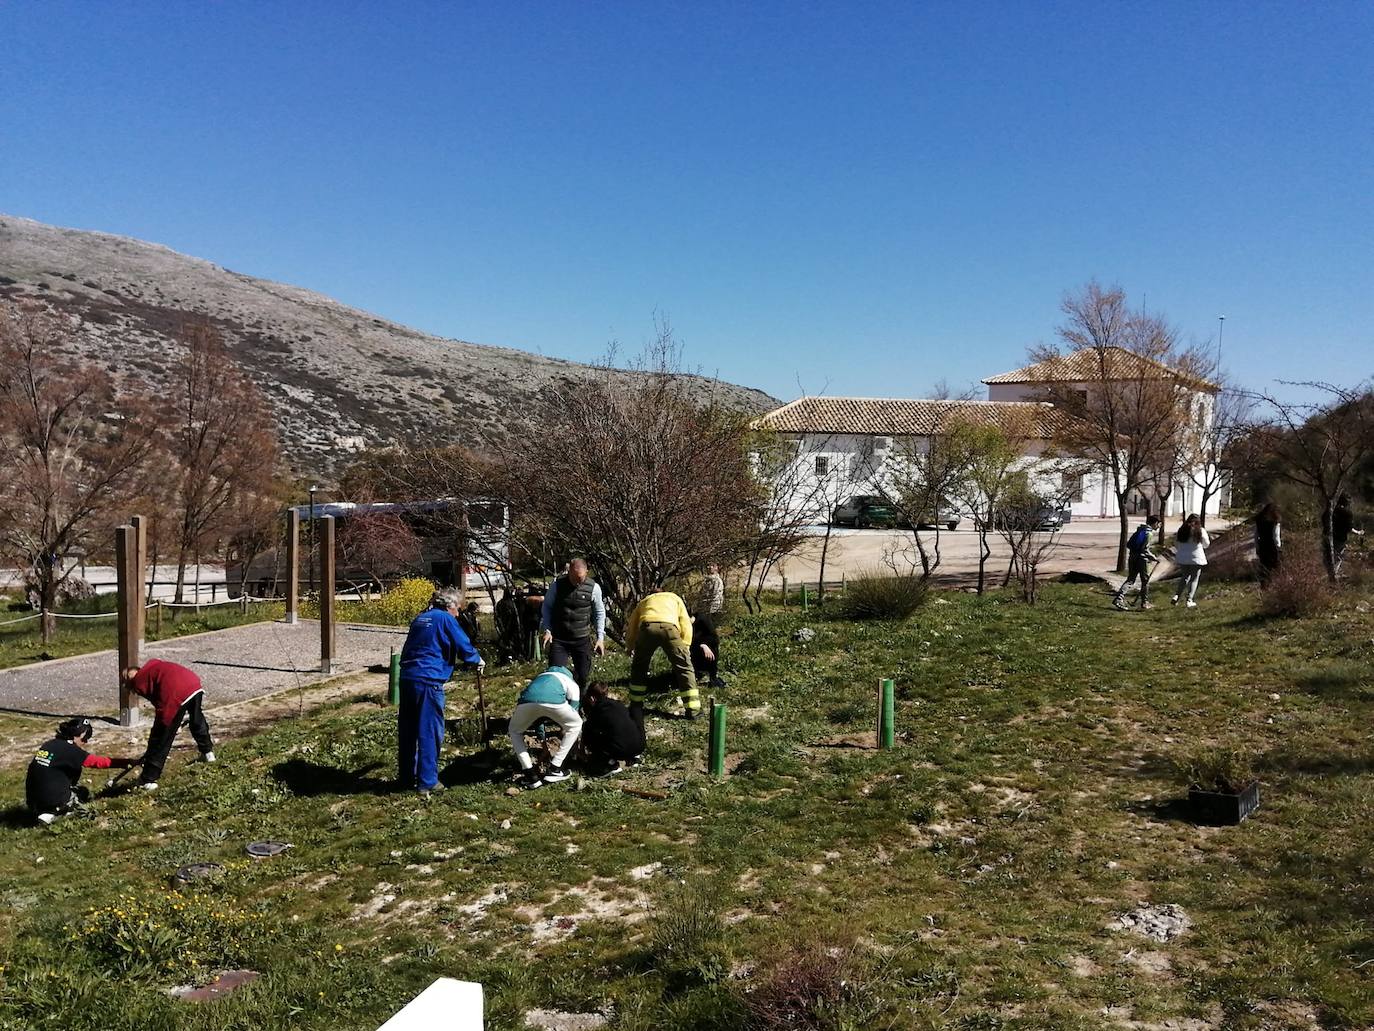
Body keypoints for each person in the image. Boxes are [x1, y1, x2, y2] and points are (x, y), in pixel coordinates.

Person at [397, 588, 484, 797]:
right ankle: (427, 781)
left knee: (408, 729)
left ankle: (407, 777)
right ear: (450, 606)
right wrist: (476, 659)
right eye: (458, 609)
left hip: (408, 677)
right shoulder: (445, 618)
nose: (458, 614)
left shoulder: (420, 618)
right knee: (429, 730)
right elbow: (462, 643)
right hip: (428, 679)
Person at [122, 659, 216, 791]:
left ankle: (149, 779)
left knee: (160, 738)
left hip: (175, 691)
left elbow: (162, 703)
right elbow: (159, 696)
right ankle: (208, 753)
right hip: (193, 684)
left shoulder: (139, 681)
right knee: (197, 719)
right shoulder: (153, 669)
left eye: (126, 681)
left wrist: (167, 723)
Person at [26, 718, 139, 824]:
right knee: (83, 793)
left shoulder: (49, 744)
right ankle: (56, 811)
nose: (85, 742)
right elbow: (97, 762)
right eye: (85, 738)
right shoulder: (71, 751)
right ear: (76, 736)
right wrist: (125, 762)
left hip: (32, 801)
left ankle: (44, 810)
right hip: (53, 799)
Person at [625, 586, 699, 718]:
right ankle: (693, 711)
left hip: (647, 627)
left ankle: (636, 706)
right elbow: (685, 622)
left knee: (639, 667)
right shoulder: (674, 597)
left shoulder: (644, 601)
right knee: (684, 668)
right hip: (669, 627)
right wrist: (686, 644)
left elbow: (632, 625)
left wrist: (630, 646)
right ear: (664, 592)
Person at [508, 663, 583, 788]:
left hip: (526, 702)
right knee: (576, 725)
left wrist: (543, 742)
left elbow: (538, 718)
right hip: (555, 701)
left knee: (515, 731)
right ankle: (555, 768)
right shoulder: (571, 683)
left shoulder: (540, 678)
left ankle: (531, 776)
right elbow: (573, 713)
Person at [539, 558, 606, 689]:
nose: (577, 582)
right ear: (568, 572)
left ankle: (578, 704)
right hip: (559, 638)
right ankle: (559, 705)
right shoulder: (557, 586)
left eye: (580, 579)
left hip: (581, 638)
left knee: (583, 676)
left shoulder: (594, 588)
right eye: (574, 578)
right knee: (556, 676)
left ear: (586, 572)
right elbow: (547, 607)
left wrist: (600, 638)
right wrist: (547, 630)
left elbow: (599, 612)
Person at [580, 682, 645, 774]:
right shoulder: (618, 704)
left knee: (591, 735)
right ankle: (633, 758)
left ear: (591, 698)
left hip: (621, 750)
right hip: (639, 746)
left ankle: (610, 764)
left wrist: (582, 750)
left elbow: (587, 734)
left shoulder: (597, 711)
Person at [1113, 514, 1162, 610]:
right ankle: (1144, 603)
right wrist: (1154, 558)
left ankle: (1119, 598)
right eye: (1159, 524)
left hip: (1132, 557)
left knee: (1130, 579)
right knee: (1145, 581)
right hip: (1142, 560)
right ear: (1155, 523)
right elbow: (1144, 550)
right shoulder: (1149, 533)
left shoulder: (1140, 530)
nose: (1159, 526)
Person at [1172, 513, 1211, 608]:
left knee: (1184, 577)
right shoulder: (1200, 531)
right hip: (1196, 558)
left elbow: (1176, 543)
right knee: (1194, 579)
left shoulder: (1181, 531)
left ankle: (1177, 595)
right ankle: (1189, 600)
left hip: (1183, 558)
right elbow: (1206, 544)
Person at [1330, 493, 1364, 575]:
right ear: (1347, 503)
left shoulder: (1332, 509)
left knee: (1330, 555)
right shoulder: (1347, 513)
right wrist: (1359, 532)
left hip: (1329, 535)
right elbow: (1349, 528)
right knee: (1337, 557)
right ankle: (1333, 575)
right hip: (1339, 538)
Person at [691, 612, 726, 687]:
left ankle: (711, 675)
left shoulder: (703, 620)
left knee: (710, 648)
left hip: (707, 652)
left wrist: (704, 644)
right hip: (692, 653)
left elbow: (715, 639)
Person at [1254, 502, 1282, 586]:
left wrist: (1257, 547)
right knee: (1274, 567)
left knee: (1264, 566)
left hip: (1262, 545)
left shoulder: (1259, 521)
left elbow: (1256, 535)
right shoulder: (1275, 521)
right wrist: (1279, 547)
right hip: (1272, 547)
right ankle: (1272, 585)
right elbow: (1275, 536)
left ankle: (1264, 584)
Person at [494, 587, 521, 664]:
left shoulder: (500, 603)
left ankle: (507, 658)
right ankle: (507, 658)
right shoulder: (509, 603)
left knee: (506, 643)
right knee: (508, 642)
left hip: (505, 626)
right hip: (509, 626)